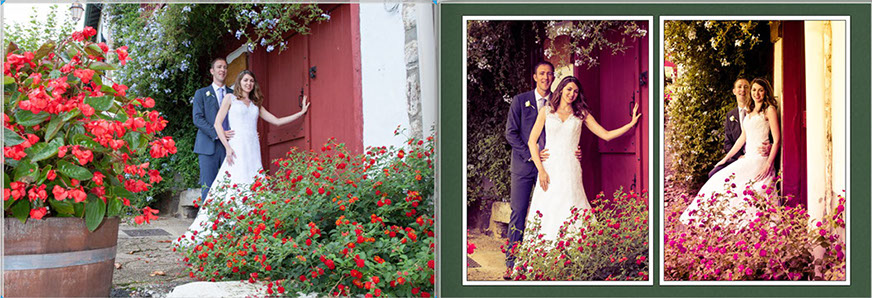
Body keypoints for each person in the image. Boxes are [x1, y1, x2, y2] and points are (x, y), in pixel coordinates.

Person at [178, 70, 310, 245]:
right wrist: (227, 147)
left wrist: (301, 112)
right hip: (236, 147)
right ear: (240, 82)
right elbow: (217, 123)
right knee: (236, 181)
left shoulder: (256, 104)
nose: (249, 83)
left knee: (254, 182)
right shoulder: (230, 99)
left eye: (251, 81)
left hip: (253, 149)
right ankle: (230, 227)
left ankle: (254, 227)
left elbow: (276, 121)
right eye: (246, 80)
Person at [523, 76, 640, 243]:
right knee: (548, 207)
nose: (572, 94)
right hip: (549, 168)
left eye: (576, 91)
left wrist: (631, 124)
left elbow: (605, 135)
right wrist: (541, 170)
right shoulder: (546, 111)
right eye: (569, 89)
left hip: (570, 167)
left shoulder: (581, 114)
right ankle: (545, 250)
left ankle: (574, 249)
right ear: (561, 89)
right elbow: (531, 141)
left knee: (571, 205)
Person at [680, 78, 781, 226]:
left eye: (760, 90)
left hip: (760, 159)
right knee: (718, 178)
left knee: (742, 185)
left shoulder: (769, 110)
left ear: (766, 92)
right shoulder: (750, 112)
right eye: (754, 90)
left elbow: (777, 140)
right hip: (748, 158)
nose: (756, 93)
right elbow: (742, 138)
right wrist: (725, 158)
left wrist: (768, 164)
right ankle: (712, 216)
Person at [192, 58, 234, 208]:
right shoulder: (201, 93)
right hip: (207, 146)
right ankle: (208, 219)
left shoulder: (233, 94)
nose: (222, 70)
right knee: (208, 187)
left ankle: (228, 218)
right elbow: (197, 119)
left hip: (229, 146)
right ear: (212, 71)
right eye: (219, 67)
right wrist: (218, 133)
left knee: (230, 185)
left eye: (225, 67)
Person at [709, 78, 770, 178]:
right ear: (734, 91)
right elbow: (728, 143)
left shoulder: (762, 111)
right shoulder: (730, 115)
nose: (743, 90)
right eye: (739, 87)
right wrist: (737, 157)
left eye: (746, 87)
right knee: (712, 174)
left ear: (749, 90)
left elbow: (769, 133)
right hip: (737, 158)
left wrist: (770, 146)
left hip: (758, 155)